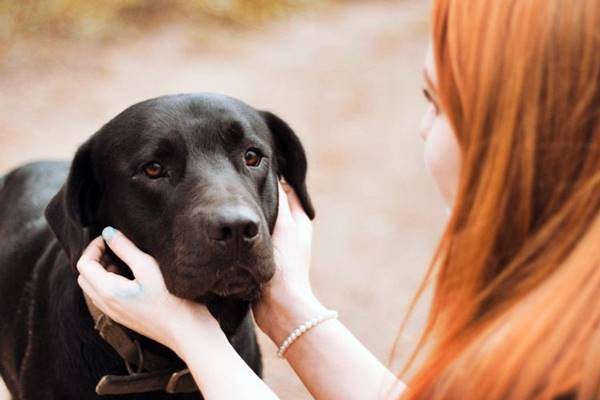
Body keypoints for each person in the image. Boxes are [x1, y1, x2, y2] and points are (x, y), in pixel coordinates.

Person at [77, 0, 600, 398]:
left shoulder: (563, 362)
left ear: (528, 128)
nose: (423, 129)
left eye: (437, 103)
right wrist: (286, 303)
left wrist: (194, 338)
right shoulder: (565, 311)